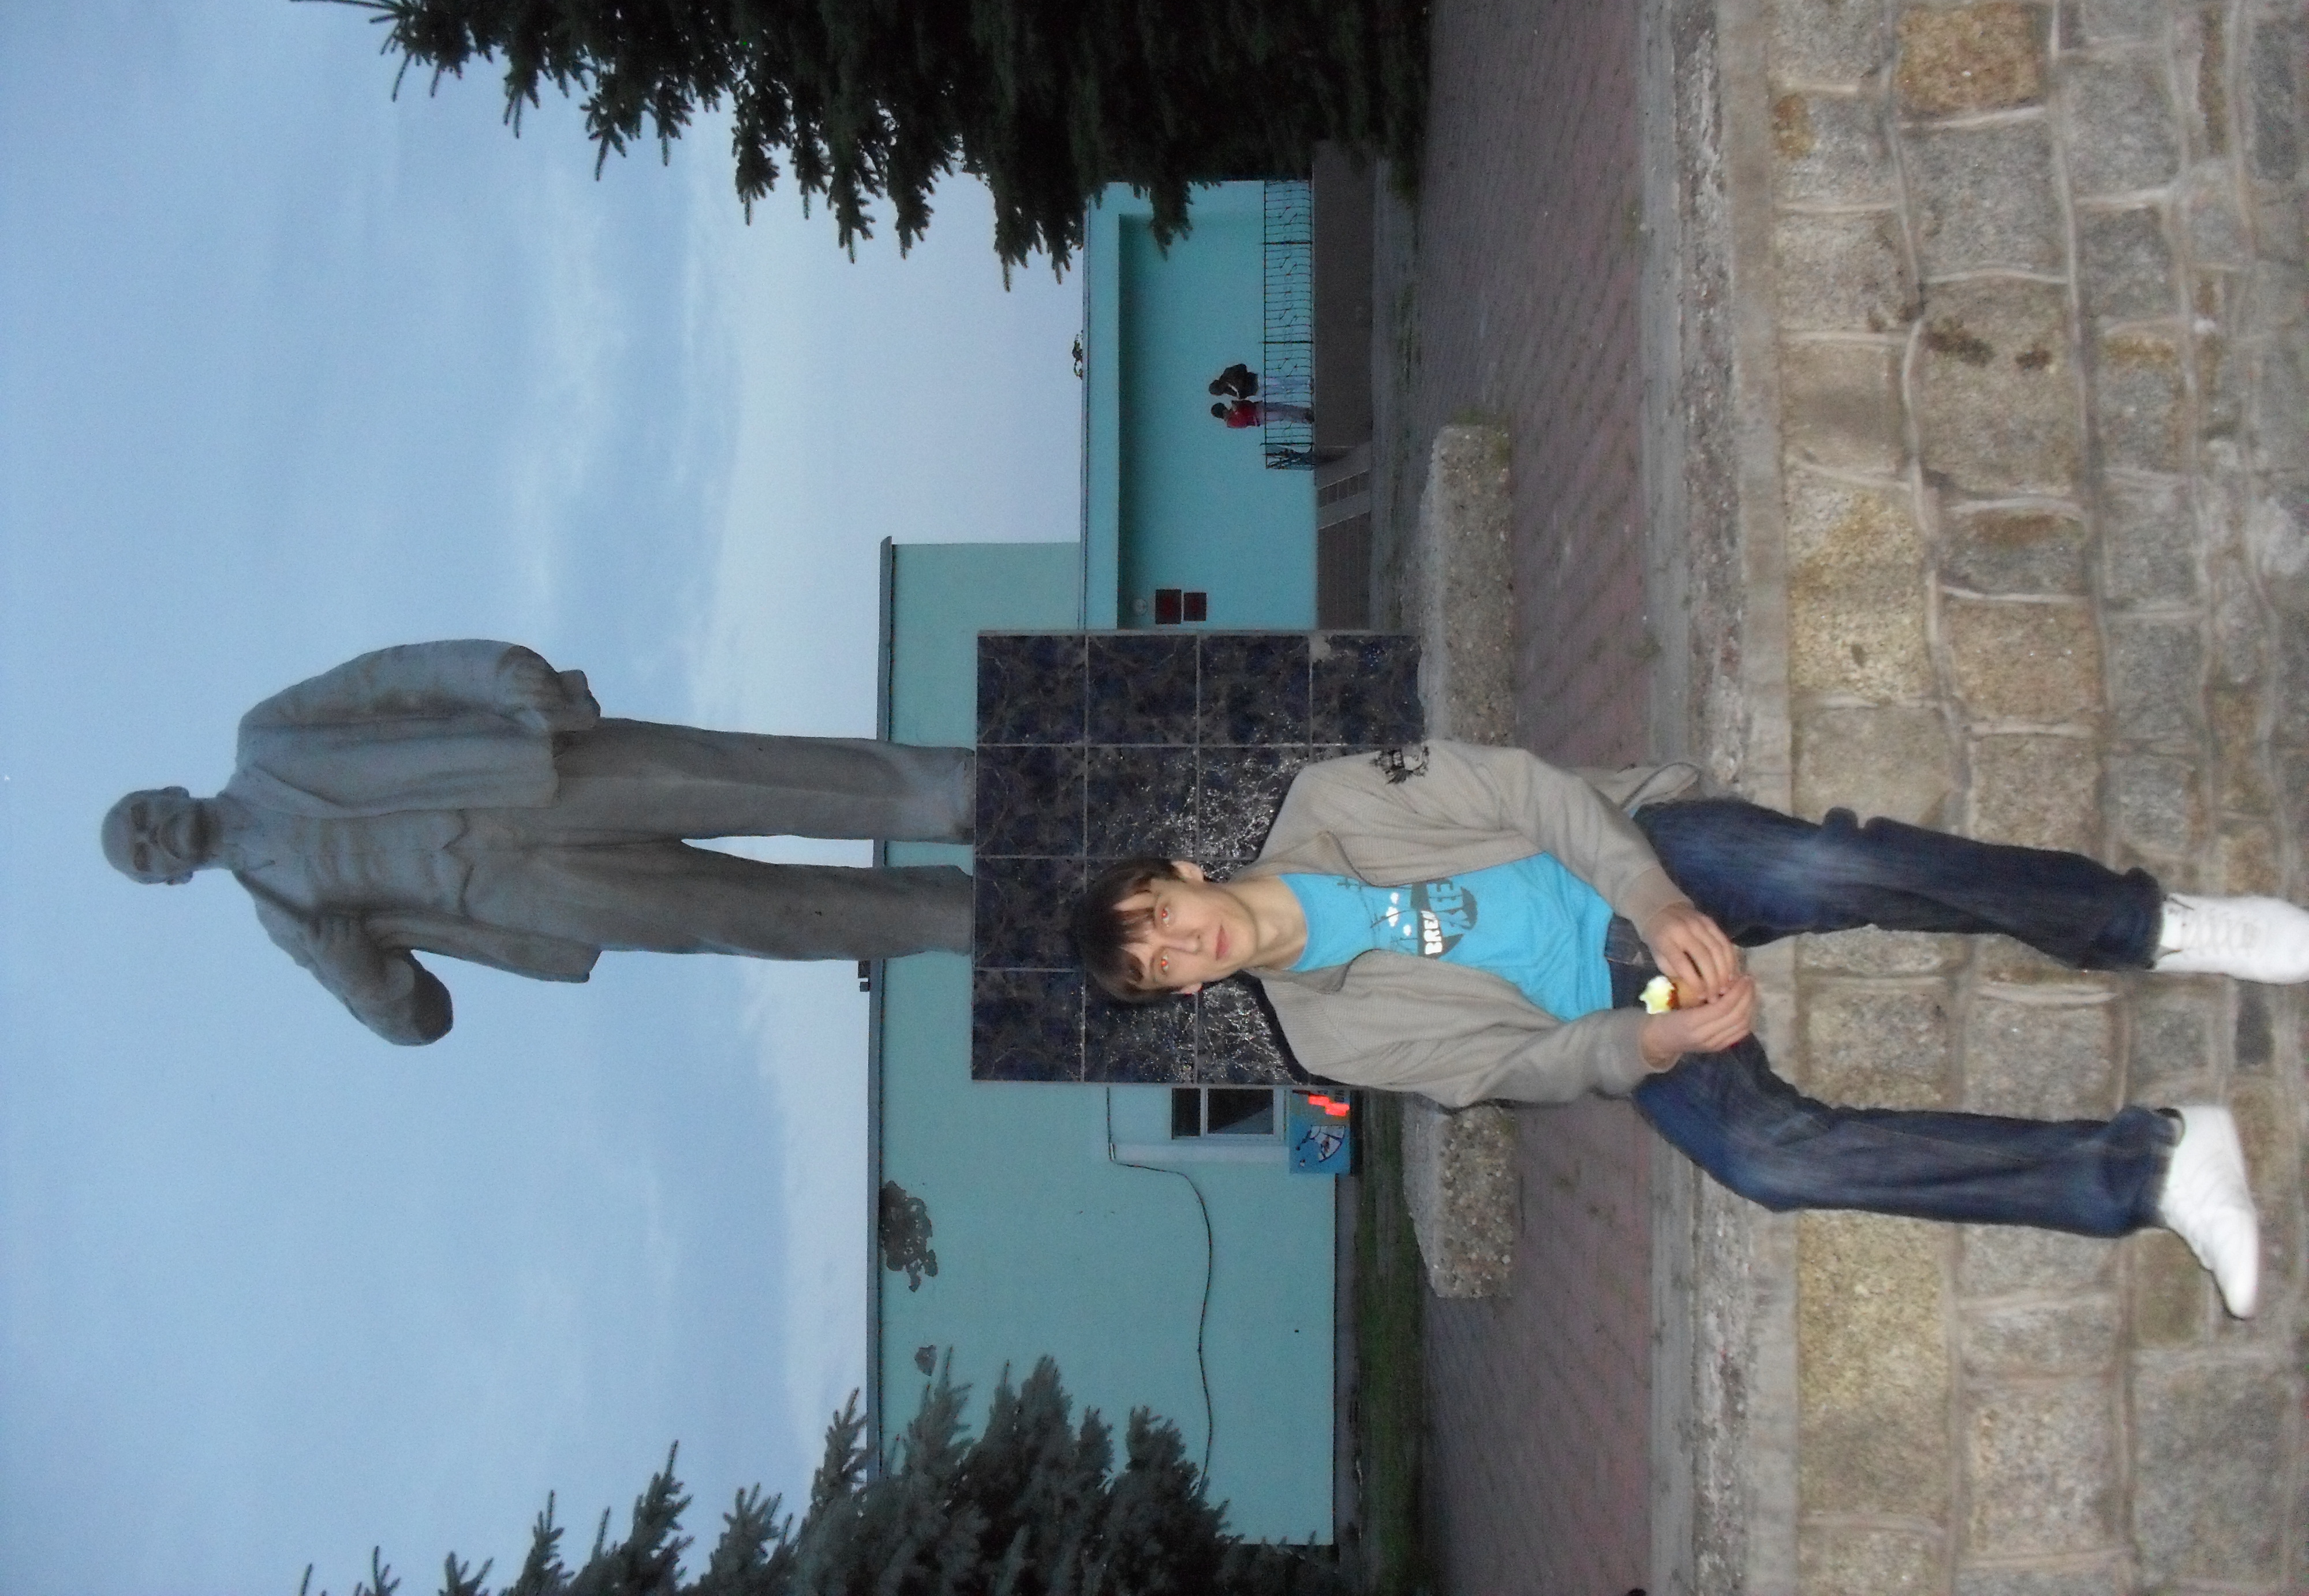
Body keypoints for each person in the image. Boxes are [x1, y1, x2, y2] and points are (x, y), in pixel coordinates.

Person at [1072, 741, 2295, 1318]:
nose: (1183, 945)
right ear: (1182, 997)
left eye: (1162, 917)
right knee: (1766, 1158)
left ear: (1185, 872)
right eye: (1160, 967)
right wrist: (1648, 1048)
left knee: (1821, 871)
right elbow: (1509, 1066)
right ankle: (2153, 1168)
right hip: (1622, 1011)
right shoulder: (1325, 1041)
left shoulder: (1332, 799)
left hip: (1636, 859)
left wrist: (1654, 902)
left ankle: (2152, 926)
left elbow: (1525, 788)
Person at [102, 640, 975, 1046]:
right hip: (532, 897)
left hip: (534, 778)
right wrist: (363, 982)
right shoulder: (289, 923)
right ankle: (946, 917)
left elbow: (388, 681)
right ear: (168, 880)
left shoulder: (267, 736)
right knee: (755, 918)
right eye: (145, 854)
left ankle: (944, 795)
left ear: (166, 790)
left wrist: (498, 674)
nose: (153, 836)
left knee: (743, 778)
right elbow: (423, 1024)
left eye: (143, 815)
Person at [1211, 397, 1316, 428]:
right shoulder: (1230, 422)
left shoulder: (1232, 412)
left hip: (1257, 407)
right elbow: (1242, 421)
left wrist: (1239, 404)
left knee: (1282, 407)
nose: (1227, 409)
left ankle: (1305, 411)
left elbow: (1246, 404)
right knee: (1282, 415)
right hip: (1258, 417)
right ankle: (1305, 419)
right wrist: (1236, 410)